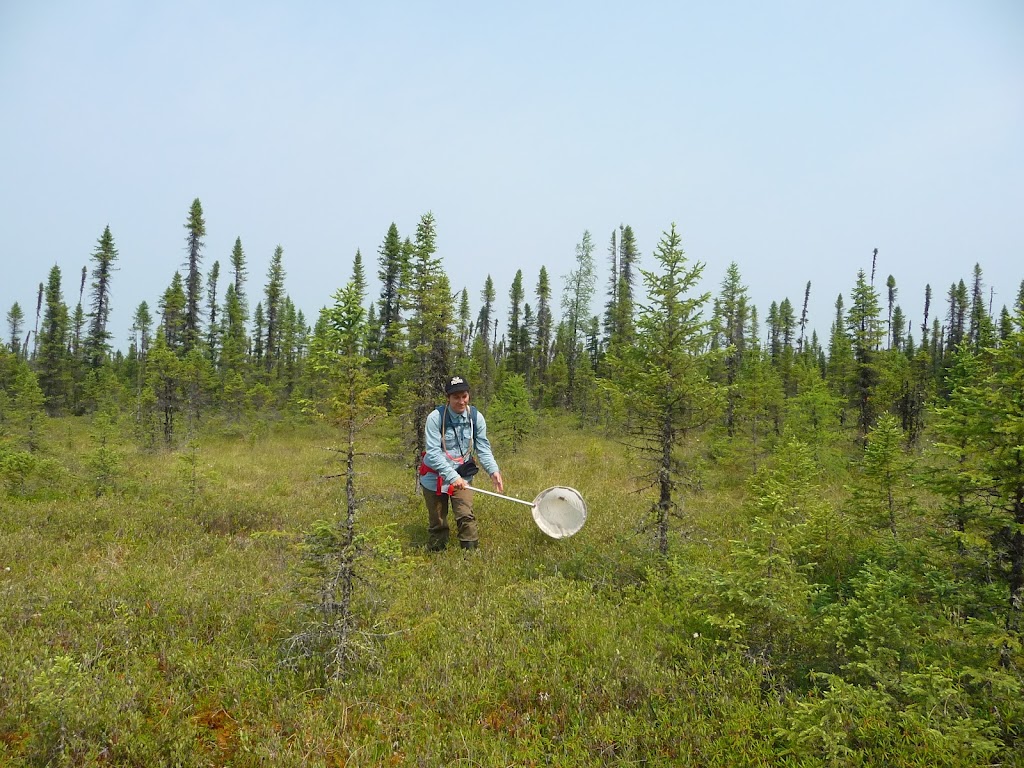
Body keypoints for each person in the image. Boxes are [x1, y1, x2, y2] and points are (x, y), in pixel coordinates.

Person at [419, 375, 503, 551]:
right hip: (435, 478)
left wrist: (493, 470)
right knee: (437, 519)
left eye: (464, 396)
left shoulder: (475, 417)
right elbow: (433, 453)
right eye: (456, 397)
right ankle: (437, 551)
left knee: (466, 515)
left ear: (468, 395)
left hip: (463, 477)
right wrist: (451, 476)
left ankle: (471, 554)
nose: (461, 401)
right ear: (448, 398)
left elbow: (483, 447)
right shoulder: (435, 418)